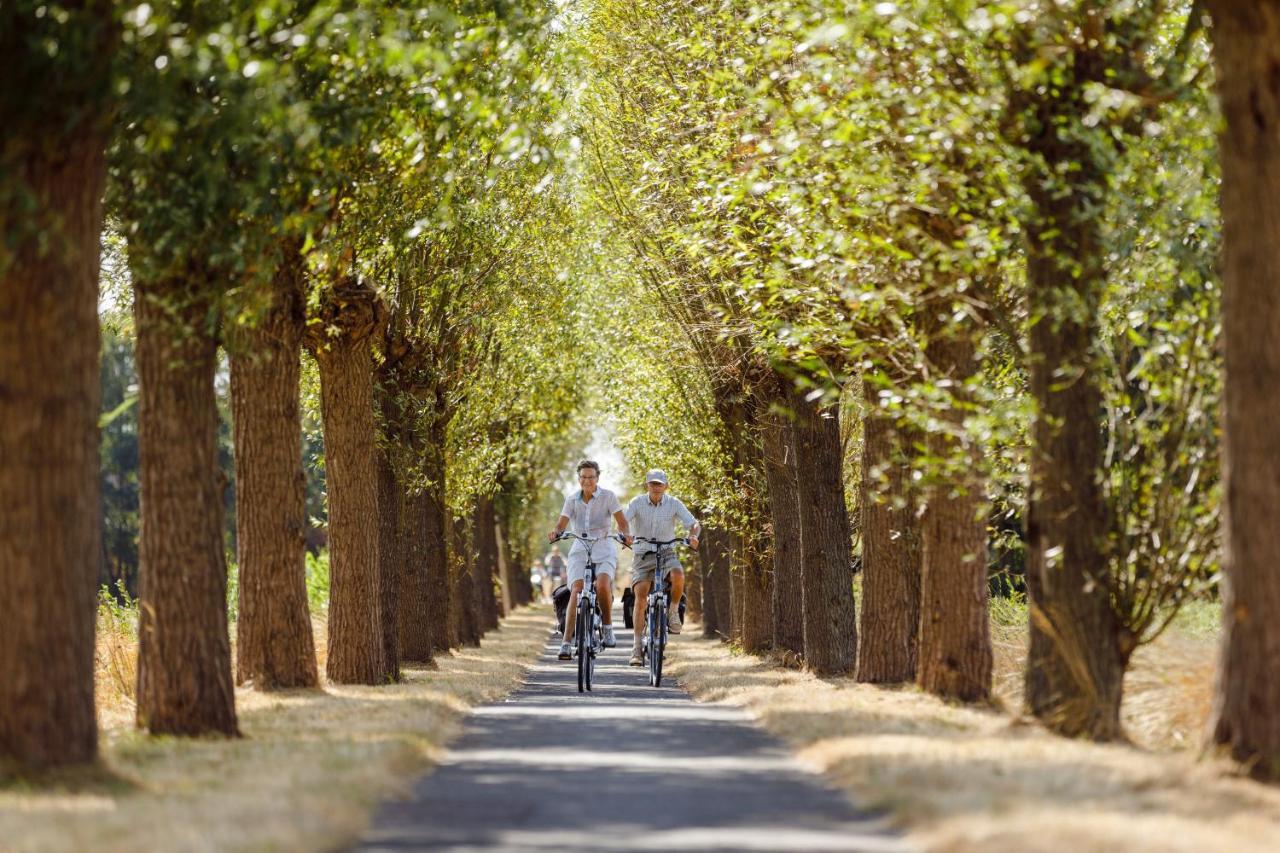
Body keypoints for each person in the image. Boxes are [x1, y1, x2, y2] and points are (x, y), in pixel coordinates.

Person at [548, 460, 632, 660]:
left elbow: (621, 523)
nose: (587, 480)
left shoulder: (608, 496)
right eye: (583, 477)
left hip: (604, 547)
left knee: (603, 584)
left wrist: (626, 535)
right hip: (580, 549)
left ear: (597, 478)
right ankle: (566, 643)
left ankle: (608, 627)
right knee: (576, 590)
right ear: (579, 479)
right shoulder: (571, 499)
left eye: (591, 477)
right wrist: (556, 532)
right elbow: (562, 523)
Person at [623, 469, 700, 666]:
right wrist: (626, 535)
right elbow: (623, 520)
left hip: (667, 553)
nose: (656, 487)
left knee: (678, 575)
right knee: (641, 596)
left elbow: (693, 523)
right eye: (652, 483)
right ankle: (637, 648)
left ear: (666, 486)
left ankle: (673, 611)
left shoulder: (674, 503)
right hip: (642, 553)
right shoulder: (637, 502)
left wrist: (693, 536)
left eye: (659, 484)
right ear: (647, 485)